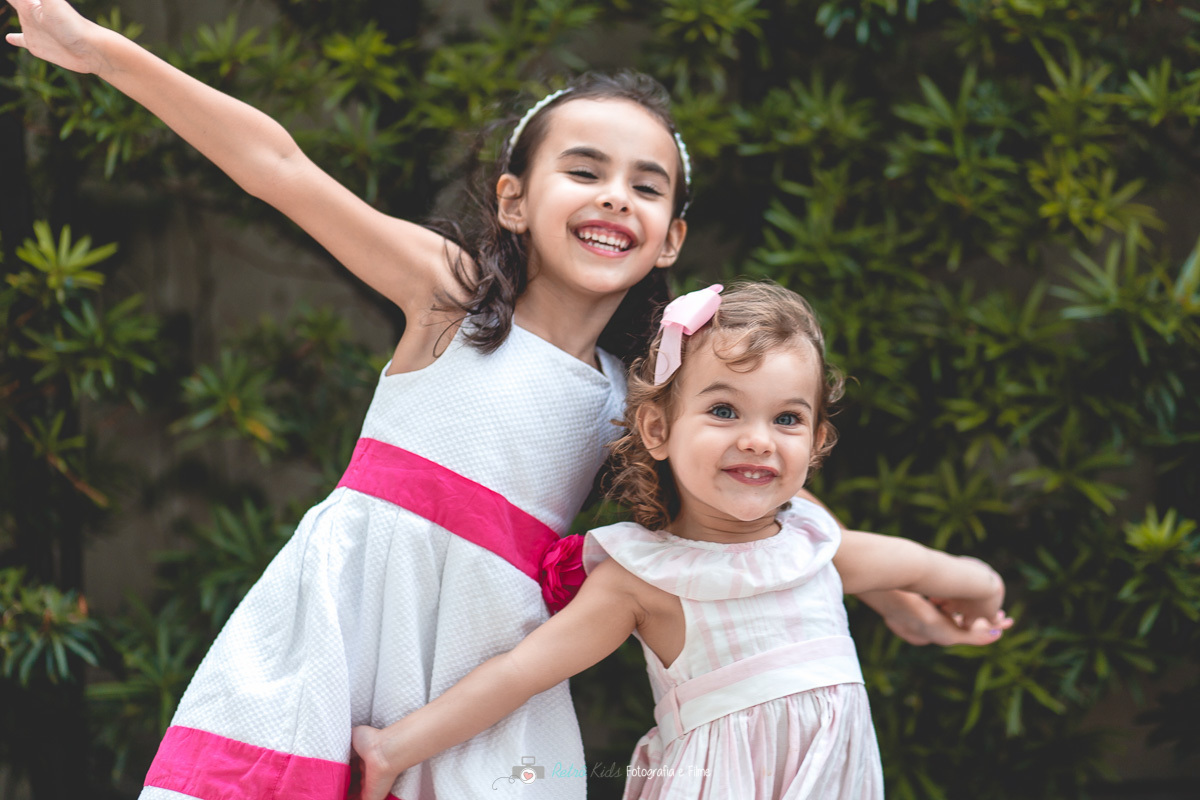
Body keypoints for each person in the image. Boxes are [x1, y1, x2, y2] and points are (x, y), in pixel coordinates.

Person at [4, 3, 1008, 798]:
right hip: (353, 617)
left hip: (483, 668)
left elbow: (741, 513)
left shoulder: (641, 392)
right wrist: (102, 51)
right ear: (517, 200)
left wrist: (882, 587)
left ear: (669, 240)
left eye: (645, 185)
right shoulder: (446, 297)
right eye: (585, 170)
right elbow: (280, 168)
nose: (616, 194)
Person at [351, 282, 1009, 800]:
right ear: (658, 430)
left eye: (787, 418)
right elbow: (521, 672)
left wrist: (981, 591)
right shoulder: (643, 578)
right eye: (724, 410)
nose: (757, 437)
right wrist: (395, 748)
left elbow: (935, 569)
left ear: (815, 446)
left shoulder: (814, 545)